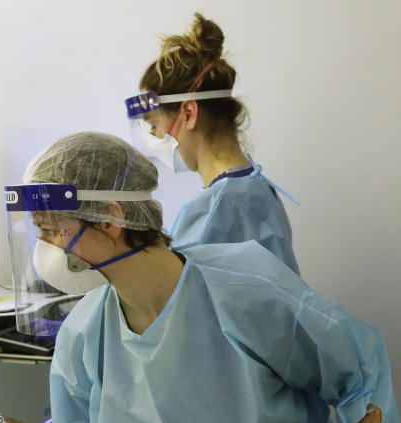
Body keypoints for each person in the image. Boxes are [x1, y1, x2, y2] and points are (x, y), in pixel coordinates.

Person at [4, 131, 401, 423]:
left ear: (109, 219)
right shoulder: (85, 332)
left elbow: (361, 375)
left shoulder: (245, 293)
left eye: (50, 231)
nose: (42, 250)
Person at [126, 13, 300, 273]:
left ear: (188, 114)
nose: (156, 137)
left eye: (154, 125)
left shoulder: (220, 208)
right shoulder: (255, 190)